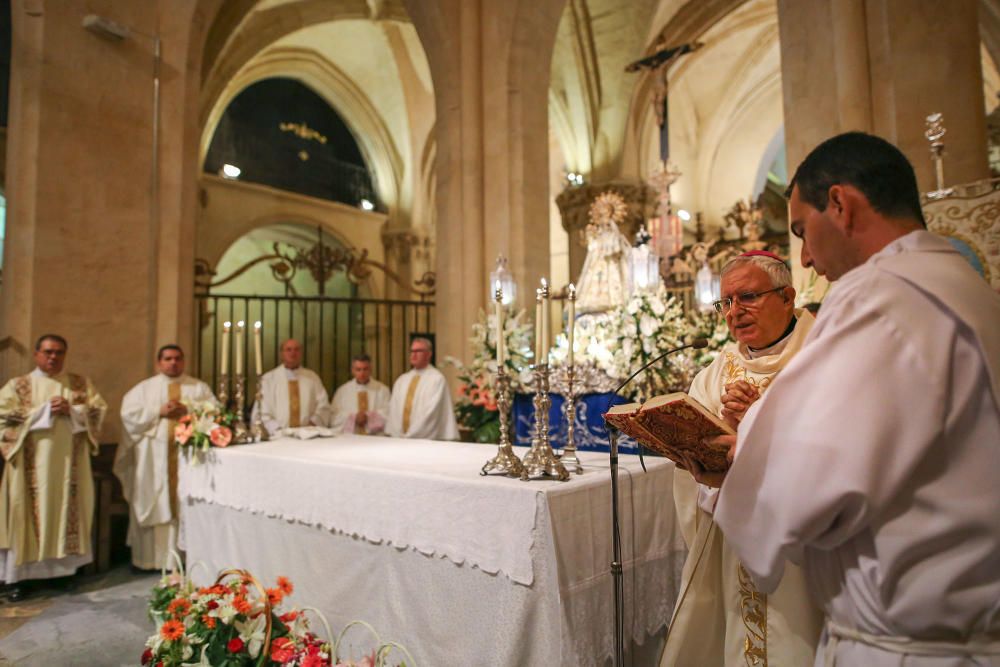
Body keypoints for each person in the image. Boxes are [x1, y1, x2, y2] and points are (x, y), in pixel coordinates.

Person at [700, 132, 1000, 665]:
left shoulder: (879, 297)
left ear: (840, 204)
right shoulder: (966, 289)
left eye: (803, 232)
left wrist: (734, 453)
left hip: (908, 647)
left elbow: (802, 491)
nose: (808, 259)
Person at [660, 252, 823, 666]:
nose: (734, 312)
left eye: (747, 297)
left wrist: (754, 424)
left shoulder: (824, 354)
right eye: (726, 303)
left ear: (787, 297)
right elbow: (691, 474)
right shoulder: (715, 374)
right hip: (734, 546)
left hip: (807, 548)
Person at [0, 335, 107, 597]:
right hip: (27, 466)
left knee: (64, 512)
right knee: (22, 514)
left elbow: (97, 411)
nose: (53, 357)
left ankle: (61, 574)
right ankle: (18, 579)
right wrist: (44, 411)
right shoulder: (19, 386)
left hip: (69, 466)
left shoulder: (80, 385)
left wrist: (73, 411)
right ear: (36, 354)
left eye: (59, 352)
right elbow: (4, 416)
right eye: (48, 352)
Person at [115, 345, 217, 571]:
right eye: (168, 359)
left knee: (184, 505)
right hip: (153, 460)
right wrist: (157, 411)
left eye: (178, 358)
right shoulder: (143, 390)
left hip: (188, 462)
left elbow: (215, 414)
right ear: (158, 362)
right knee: (153, 499)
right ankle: (149, 561)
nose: (173, 363)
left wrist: (189, 412)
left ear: (184, 361)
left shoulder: (198, 388)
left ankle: (185, 560)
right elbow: (128, 415)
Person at [252, 339, 330, 436]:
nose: (293, 353)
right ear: (282, 354)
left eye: (296, 349)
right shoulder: (269, 379)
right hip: (278, 435)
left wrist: (312, 424)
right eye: (288, 350)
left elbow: (323, 406)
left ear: (301, 353)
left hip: (308, 435)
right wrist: (278, 430)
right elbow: (262, 410)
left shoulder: (312, 378)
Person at [385, 337, 459, 440]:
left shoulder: (436, 379)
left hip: (426, 440)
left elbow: (431, 413)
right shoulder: (402, 380)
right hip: (400, 440)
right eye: (412, 351)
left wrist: (411, 435)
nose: (414, 354)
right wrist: (399, 434)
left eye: (418, 351)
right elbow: (394, 410)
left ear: (429, 354)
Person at [330, 353, 391, 435]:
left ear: (370, 369)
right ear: (352, 370)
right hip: (350, 439)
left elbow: (389, 414)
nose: (362, 373)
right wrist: (353, 418)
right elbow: (334, 417)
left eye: (365, 369)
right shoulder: (342, 391)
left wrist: (369, 417)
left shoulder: (383, 390)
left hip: (376, 439)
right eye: (358, 369)